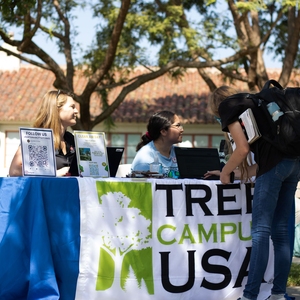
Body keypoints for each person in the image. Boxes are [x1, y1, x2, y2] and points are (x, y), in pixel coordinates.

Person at [209, 85, 300, 300]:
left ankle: (250, 295)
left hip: (275, 167)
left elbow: (242, 149)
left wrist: (225, 171)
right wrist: (232, 173)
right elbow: (262, 164)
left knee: (260, 232)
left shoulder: (228, 107)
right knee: (280, 234)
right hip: (294, 164)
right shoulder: (257, 103)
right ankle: (278, 293)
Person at [9, 90, 79, 177]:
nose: (76, 111)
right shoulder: (37, 138)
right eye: (72, 107)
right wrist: (55, 173)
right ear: (56, 110)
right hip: (43, 190)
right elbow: (15, 171)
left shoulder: (71, 139)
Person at [131, 110, 183, 177]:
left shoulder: (180, 154)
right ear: (163, 131)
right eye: (177, 126)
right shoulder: (144, 159)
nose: (182, 130)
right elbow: (141, 186)